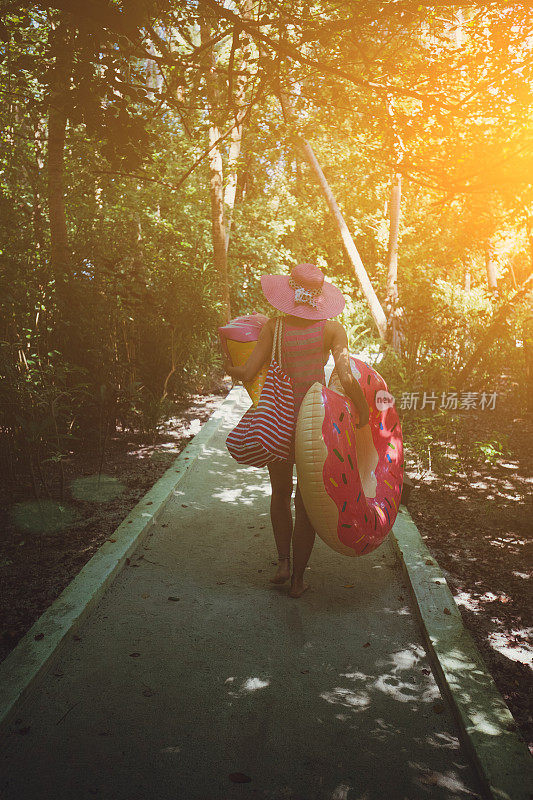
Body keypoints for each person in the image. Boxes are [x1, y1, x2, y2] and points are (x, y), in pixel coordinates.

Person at [224, 263, 370, 598]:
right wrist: (362, 411)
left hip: (279, 421)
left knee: (279, 493)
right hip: (314, 427)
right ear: (319, 297)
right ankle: (298, 581)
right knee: (306, 504)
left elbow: (247, 372)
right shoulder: (332, 329)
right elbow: (346, 378)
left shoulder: (273, 327)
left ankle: (282, 562)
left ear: (290, 293)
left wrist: (227, 364)